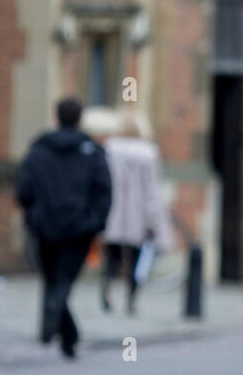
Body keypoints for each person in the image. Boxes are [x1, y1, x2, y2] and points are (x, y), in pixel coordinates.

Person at [16, 96, 112, 357]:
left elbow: (24, 187)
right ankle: (64, 332)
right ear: (80, 118)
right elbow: (104, 189)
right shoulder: (91, 151)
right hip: (79, 229)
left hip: (45, 226)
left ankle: (61, 333)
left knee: (52, 278)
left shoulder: (38, 149)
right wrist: (97, 221)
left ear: (56, 116)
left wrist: (33, 214)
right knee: (64, 280)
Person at [101, 108, 172, 313]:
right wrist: (154, 220)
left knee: (112, 256)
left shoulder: (109, 149)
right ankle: (131, 300)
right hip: (138, 215)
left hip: (113, 212)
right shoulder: (148, 152)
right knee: (136, 259)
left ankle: (107, 289)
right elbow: (152, 190)